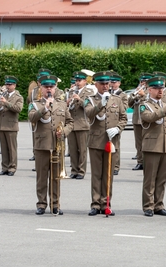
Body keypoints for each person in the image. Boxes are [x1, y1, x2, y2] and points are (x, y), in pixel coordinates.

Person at [28, 75, 74, 215]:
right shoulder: (35, 104)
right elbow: (32, 117)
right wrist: (45, 107)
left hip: (57, 145)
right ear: (41, 88)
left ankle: (55, 204)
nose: (49, 89)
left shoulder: (62, 104)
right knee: (42, 177)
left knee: (55, 178)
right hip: (42, 145)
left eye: (51, 87)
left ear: (55, 88)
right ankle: (41, 204)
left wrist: (64, 132)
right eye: (46, 87)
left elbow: (70, 122)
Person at [84, 71, 127, 216]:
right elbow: (89, 114)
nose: (105, 86)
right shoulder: (90, 99)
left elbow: (123, 118)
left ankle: (106, 203)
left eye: (107, 83)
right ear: (96, 84)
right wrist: (100, 104)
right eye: (102, 84)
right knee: (97, 174)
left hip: (111, 141)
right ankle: (95, 204)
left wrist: (118, 128)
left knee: (108, 174)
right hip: (96, 141)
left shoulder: (117, 99)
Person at [140, 76, 166, 217]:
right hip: (151, 146)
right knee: (150, 179)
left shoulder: (165, 105)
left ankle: (158, 204)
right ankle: (148, 206)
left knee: (162, 178)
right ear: (150, 90)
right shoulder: (145, 105)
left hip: (165, 146)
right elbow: (149, 117)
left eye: (161, 88)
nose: (160, 90)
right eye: (156, 88)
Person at [66, 71, 95, 179]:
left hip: (83, 124)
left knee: (82, 150)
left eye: (79, 81)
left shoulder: (89, 92)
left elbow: (89, 106)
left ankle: (81, 171)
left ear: (85, 81)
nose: (77, 83)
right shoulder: (71, 91)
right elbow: (66, 107)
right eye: (76, 81)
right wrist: (68, 102)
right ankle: (74, 170)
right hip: (71, 124)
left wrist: (79, 99)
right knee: (72, 150)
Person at [0, 76, 24, 176]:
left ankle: (12, 168)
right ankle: (4, 167)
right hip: (1, 124)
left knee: (12, 148)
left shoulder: (18, 97)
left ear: (14, 85)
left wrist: (6, 102)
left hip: (11, 125)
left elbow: (18, 109)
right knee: (3, 148)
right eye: (7, 84)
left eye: (10, 84)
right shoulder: (2, 95)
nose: (7, 86)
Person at [129, 73, 152, 171]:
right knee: (138, 143)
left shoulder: (151, 91)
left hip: (146, 120)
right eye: (142, 81)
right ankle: (140, 162)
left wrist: (144, 95)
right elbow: (129, 104)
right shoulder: (137, 90)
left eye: (145, 81)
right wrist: (135, 96)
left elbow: (152, 101)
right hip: (137, 119)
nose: (143, 83)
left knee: (148, 142)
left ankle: (148, 162)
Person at [27, 68, 52, 162]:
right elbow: (30, 101)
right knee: (35, 136)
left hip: (47, 115)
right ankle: (36, 154)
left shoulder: (52, 89)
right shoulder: (34, 90)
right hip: (37, 113)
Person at [110, 72, 128, 175]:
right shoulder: (108, 93)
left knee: (115, 145)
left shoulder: (122, 95)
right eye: (111, 82)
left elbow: (124, 108)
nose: (112, 84)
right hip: (108, 121)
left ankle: (116, 166)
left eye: (114, 82)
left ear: (119, 83)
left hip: (117, 122)